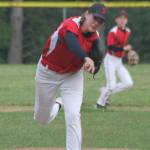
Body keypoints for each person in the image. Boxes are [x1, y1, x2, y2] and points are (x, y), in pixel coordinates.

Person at [34, 3, 107, 150]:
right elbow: (71, 42)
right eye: (95, 18)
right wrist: (85, 58)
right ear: (86, 14)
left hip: (72, 76)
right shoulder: (70, 24)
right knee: (42, 118)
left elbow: (97, 62)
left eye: (100, 21)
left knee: (73, 115)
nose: (96, 23)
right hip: (47, 73)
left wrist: (94, 66)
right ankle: (58, 104)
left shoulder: (95, 38)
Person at [96, 9, 133, 108]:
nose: (122, 20)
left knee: (128, 83)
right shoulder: (113, 31)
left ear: (127, 20)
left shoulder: (128, 31)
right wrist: (123, 48)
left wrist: (128, 51)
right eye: (120, 18)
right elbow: (110, 47)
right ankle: (100, 104)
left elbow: (122, 46)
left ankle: (105, 90)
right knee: (111, 85)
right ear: (116, 20)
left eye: (124, 18)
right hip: (110, 60)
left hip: (119, 61)